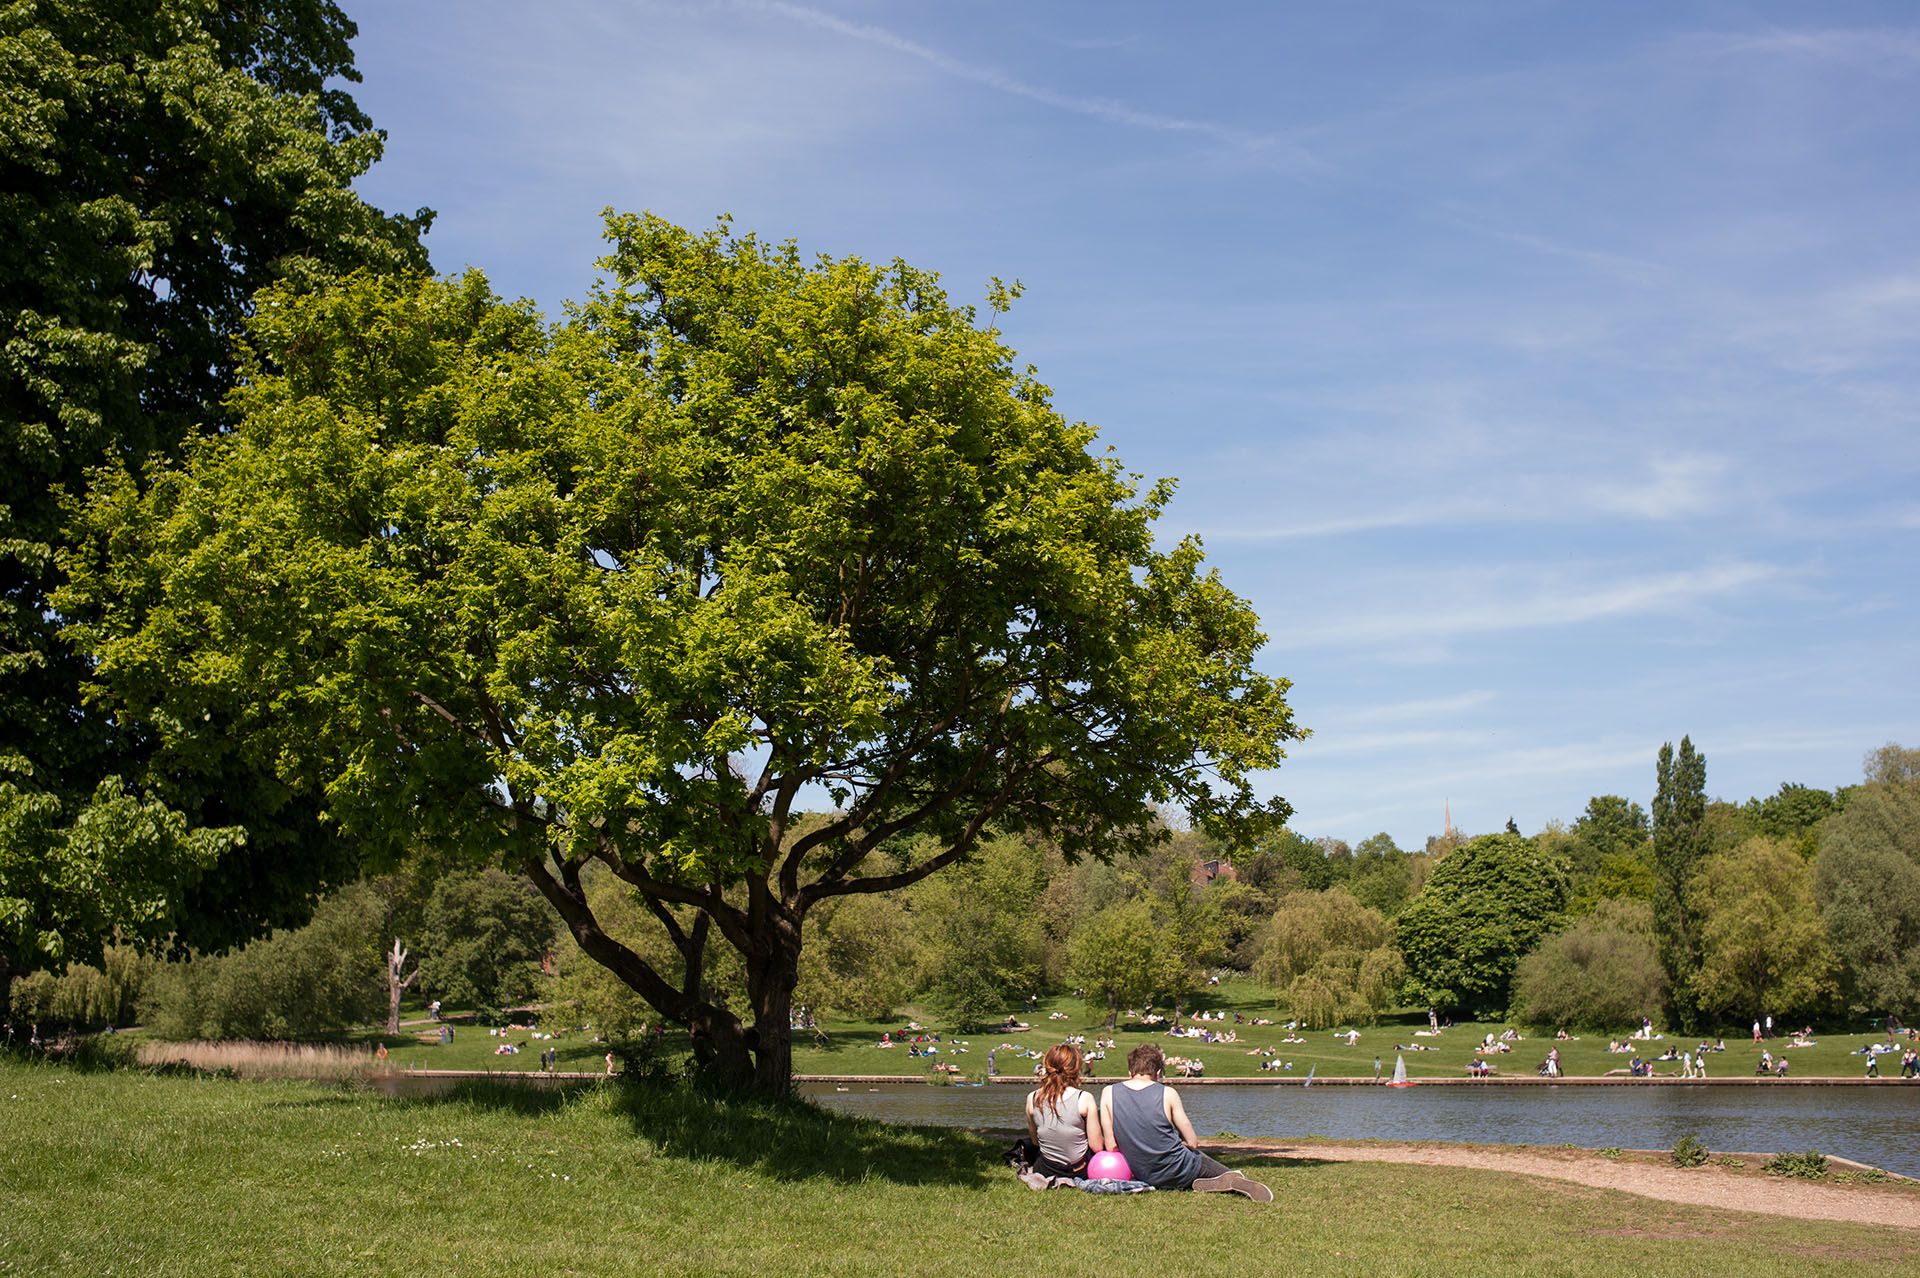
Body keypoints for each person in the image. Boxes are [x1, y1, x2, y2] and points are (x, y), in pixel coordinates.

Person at [1100, 1044, 1273, 1201]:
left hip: (1143, 1174)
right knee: (1218, 1168)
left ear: (1130, 1071)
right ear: (1159, 1073)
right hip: (1180, 1168)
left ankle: (1204, 1182)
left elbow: (1111, 1145)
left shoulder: (1108, 1093)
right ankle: (1233, 1180)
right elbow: (1192, 1142)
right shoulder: (1168, 1093)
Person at [1024, 1044, 1108, 1180]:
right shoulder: (1084, 1098)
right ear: (1076, 1068)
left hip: (1046, 1169)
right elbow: (1097, 1146)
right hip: (1079, 1170)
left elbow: (1035, 1141)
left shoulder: (1032, 1098)